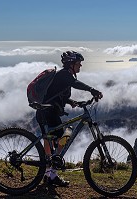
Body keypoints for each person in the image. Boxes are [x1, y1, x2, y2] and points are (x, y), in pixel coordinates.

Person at [36, 51, 103, 187]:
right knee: (64, 137)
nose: (80, 66)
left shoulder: (63, 75)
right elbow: (75, 83)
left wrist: (70, 101)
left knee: (53, 139)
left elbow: (55, 94)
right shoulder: (64, 74)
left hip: (47, 111)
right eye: (78, 63)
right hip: (48, 112)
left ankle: (49, 172)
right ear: (71, 64)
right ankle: (51, 172)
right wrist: (92, 90)